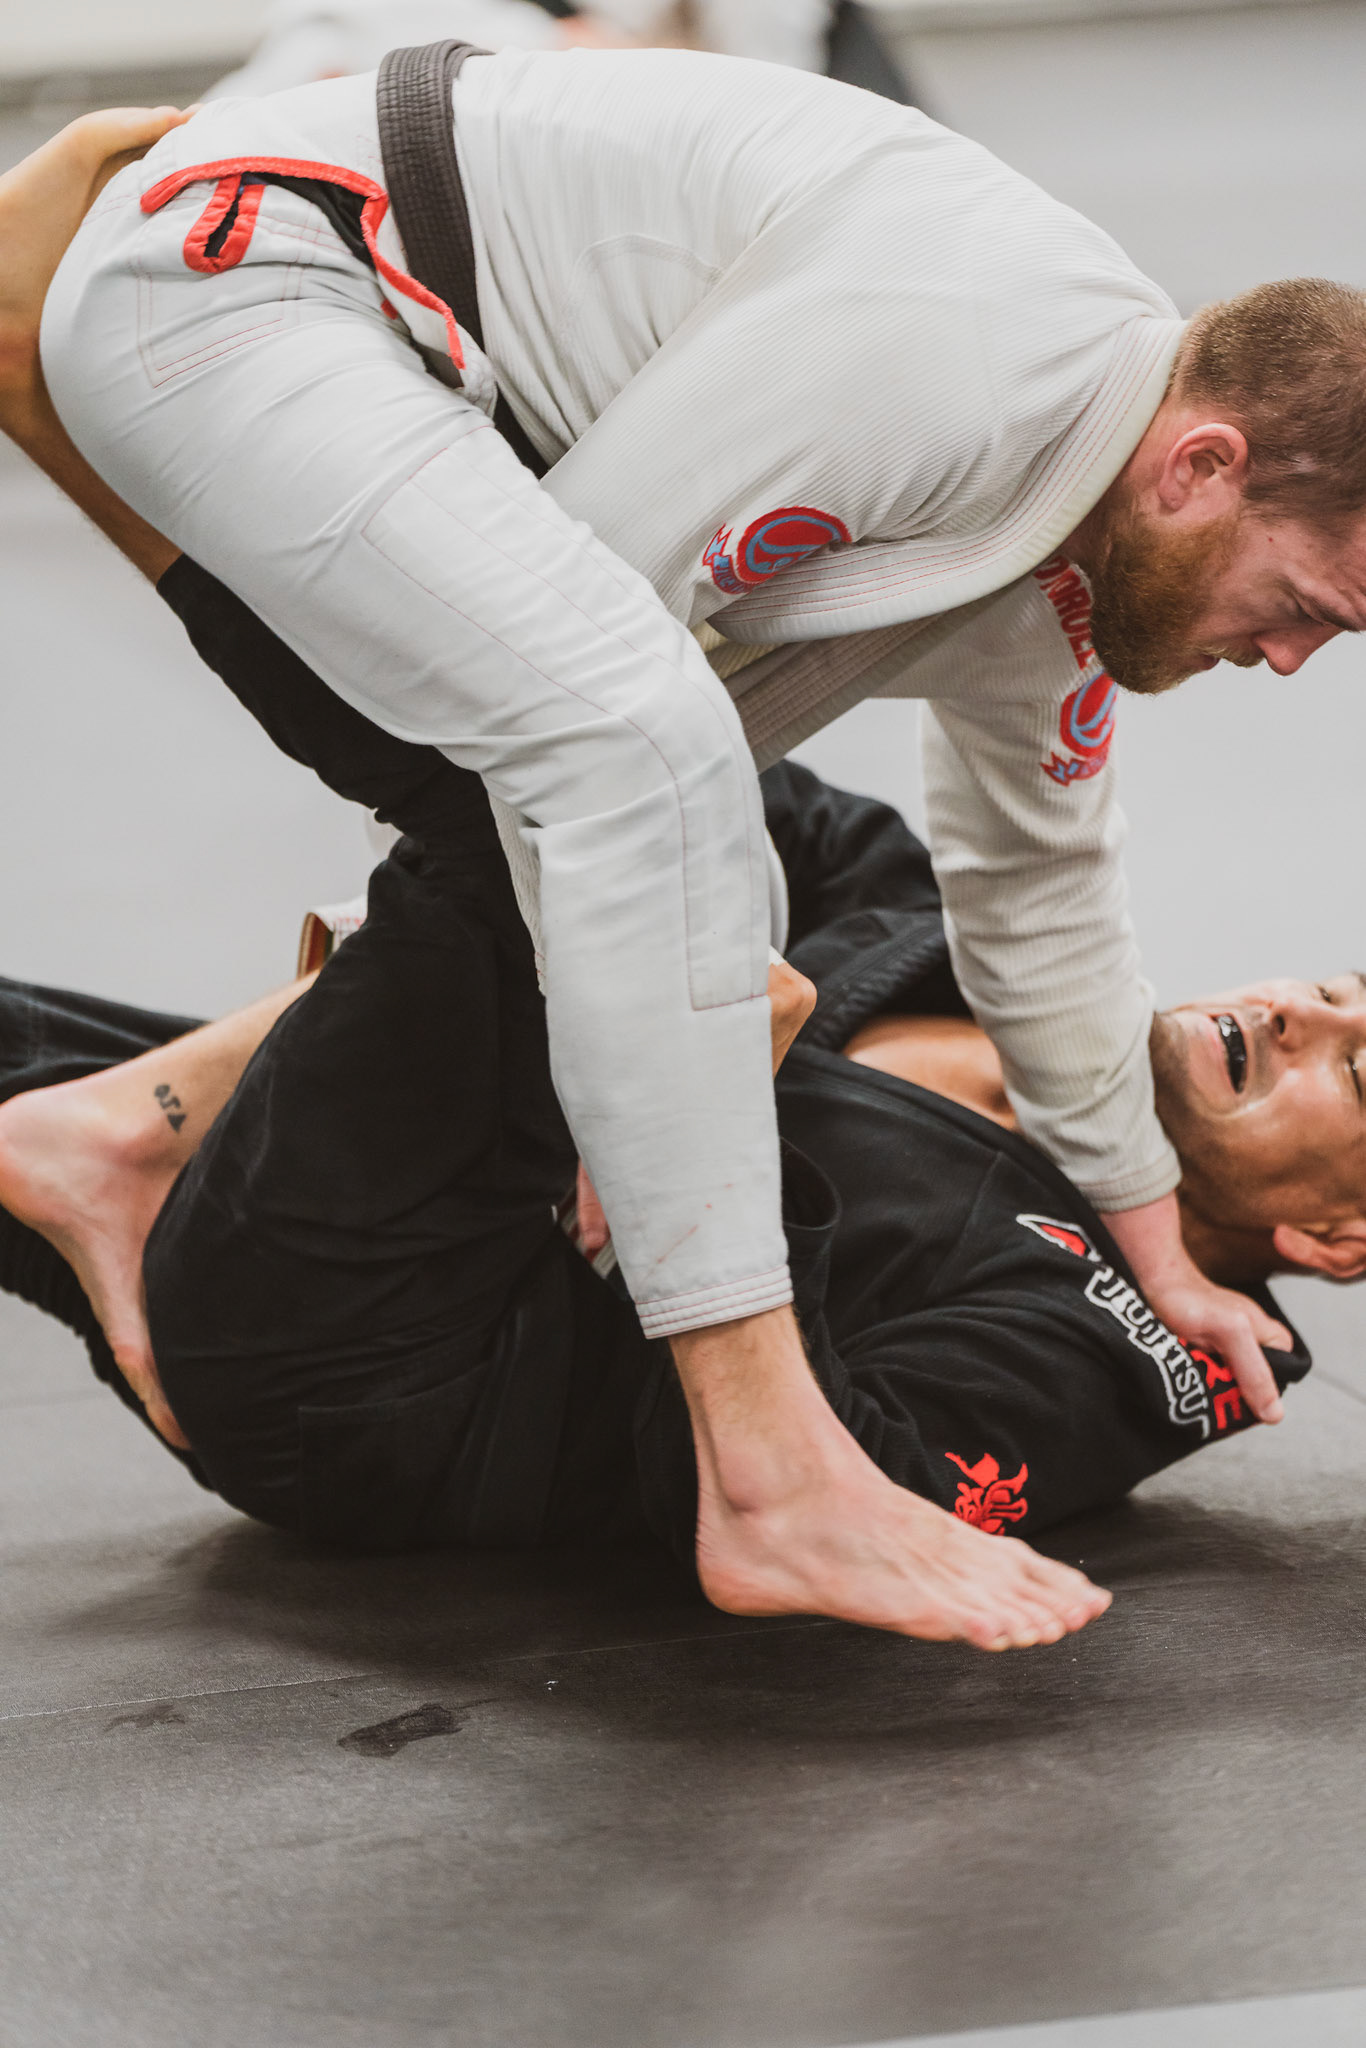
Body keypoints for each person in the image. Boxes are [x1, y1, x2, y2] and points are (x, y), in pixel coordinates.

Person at [12, 73, 1366, 1636]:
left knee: (658, 792)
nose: (1288, 661)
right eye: (1307, 607)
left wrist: (1153, 1245)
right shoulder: (963, 359)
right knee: (641, 762)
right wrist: (643, 1057)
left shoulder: (1067, 540)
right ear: (1199, 468)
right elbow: (583, 654)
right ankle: (771, 1479)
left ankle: (104, 1124)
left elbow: (1040, 888)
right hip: (263, 288)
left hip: (353, 349)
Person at [0, 743, 1319, 1636]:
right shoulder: (954, 953)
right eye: (1331, 991)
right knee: (640, 750)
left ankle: (127, 1127)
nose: (1300, 1017)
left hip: (395, 1369)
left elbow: (831, 1486)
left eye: (1356, 1073)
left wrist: (704, 1124)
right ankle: (128, 1125)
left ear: (1334, 1234)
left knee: (572, 780)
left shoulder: (1116, 1345)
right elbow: (728, 758)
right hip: (380, 1202)